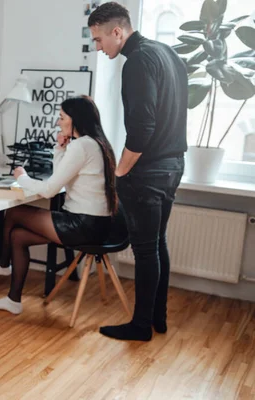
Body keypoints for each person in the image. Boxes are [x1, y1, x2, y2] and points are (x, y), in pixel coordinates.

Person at [88, 2, 187, 341]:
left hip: (149, 171)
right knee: (157, 244)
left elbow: (142, 130)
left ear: (118, 31)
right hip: (174, 164)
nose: (99, 49)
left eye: (100, 40)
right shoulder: (166, 53)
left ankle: (141, 325)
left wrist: (119, 173)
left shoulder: (137, 62)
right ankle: (157, 317)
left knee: (146, 249)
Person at [0, 96, 118, 315]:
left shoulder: (82, 146)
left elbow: (49, 190)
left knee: (14, 211)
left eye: (62, 117)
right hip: (98, 225)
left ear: (75, 120)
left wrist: (22, 177)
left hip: (82, 225)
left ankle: (3, 264)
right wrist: (60, 148)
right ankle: (13, 300)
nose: (58, 122)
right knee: (17, 237)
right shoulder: (96, 143)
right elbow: (59, 177)